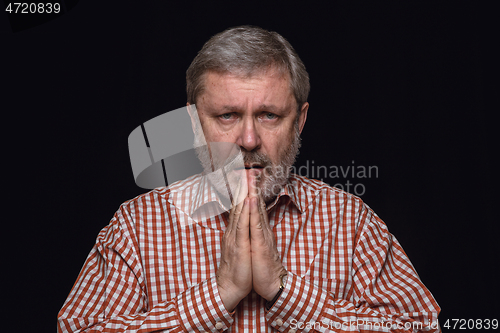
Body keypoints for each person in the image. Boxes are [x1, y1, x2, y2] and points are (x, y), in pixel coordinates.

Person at [58, 26, 440, 332]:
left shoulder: (350, 223)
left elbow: (419, 327)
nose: (249, 140)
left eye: (269, 115)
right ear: (194, 122)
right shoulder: (138, 228)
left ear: (300, 121)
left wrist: (284, 291)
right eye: (227, 115)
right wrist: (219, 296)